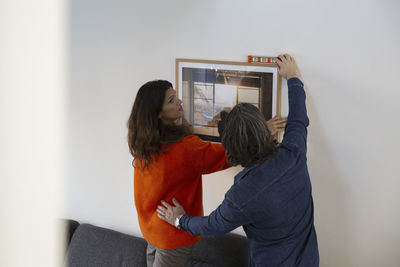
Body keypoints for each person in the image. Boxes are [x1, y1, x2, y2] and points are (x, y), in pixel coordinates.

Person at [156, 54, 319, 267]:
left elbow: (212, 226)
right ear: (263, 128)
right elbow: (298, 118)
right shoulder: (294, 153)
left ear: (232, 149)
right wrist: (293, 77)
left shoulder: (242, 195)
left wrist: (179, 219)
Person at [127, 80, 286, 267]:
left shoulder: (142, 141)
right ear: (157, 113)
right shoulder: (185, 148)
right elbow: (231, 153)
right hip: (171, 234)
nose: (179, 102)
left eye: (176, 96)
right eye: (171, 100)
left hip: (151, 228)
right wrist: (263, 130)